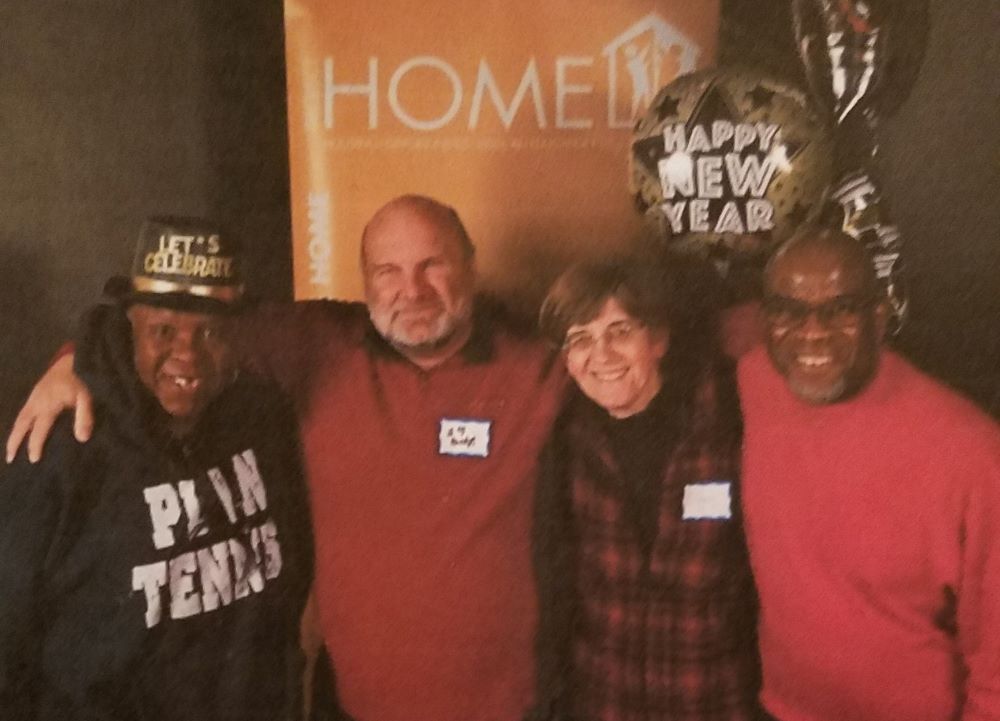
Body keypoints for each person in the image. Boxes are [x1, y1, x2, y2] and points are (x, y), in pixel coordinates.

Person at [7, 196, 567, 721]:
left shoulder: (539, 368)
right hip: (350, 710)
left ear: (470, 267)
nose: (411, 290)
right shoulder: (319, 345)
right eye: (387, 271)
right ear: (365, 280)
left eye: (432, 265)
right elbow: (169, 333)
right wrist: (74, 361)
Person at [0, 217, 313, 720]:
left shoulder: (264, 420)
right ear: (130, 330)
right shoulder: (61, 444)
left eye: (210, 332)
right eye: (163, 331)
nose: (187, 356)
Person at [739, 226, 1000, 721]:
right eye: (788, 311)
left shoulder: (973, 455)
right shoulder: (752, 380)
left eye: (839, 310)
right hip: (777, 712)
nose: (811, 332)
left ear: (878, 318)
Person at [533, 259, 760, 721]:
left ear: (657, 340)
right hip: (604, 701)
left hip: (712, 700)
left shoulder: (728, 424)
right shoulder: (564, 441)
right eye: (580, 340)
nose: (602, 355)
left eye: (619, 331)